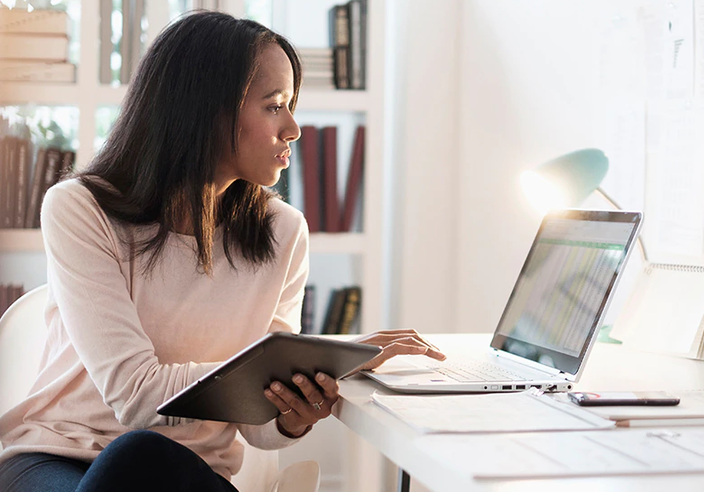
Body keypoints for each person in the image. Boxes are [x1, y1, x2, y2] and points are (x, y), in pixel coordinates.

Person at [0, 11, 445, 492]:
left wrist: (293, 412)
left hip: (190, 473)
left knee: (147, 458)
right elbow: (134, 396)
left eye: (290, 104)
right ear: (205, 108)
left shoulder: (283, 232)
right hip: (58, 456)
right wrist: (305, 361)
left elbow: (258, 427)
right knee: (136, 451)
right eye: (274, 106)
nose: (293, 128)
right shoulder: (81, 208)